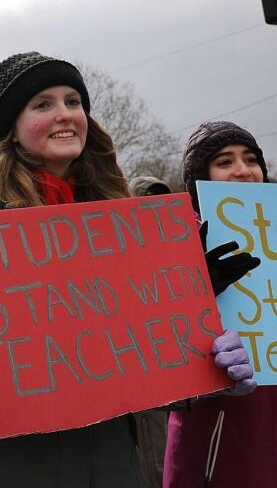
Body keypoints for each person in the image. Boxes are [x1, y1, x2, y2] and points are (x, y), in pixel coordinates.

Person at [0, 54, 256, 487]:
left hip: (107, 458)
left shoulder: (118, 215)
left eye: (73, 101)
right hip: (2, 463)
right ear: (11, 128)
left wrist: (208, 356)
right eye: (42, 104)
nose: (65, 115)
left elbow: (140, 336)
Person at [165, 121, 277, 487]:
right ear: (201, 178)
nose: (243, 170)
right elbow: (152, 347)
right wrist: (197, 292)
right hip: (225, 431)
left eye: (250, 159)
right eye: (225, 161)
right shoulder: (173, 244)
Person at [126, 174, 176, 488]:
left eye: (160, 201)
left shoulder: (174, 249)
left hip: (170, 371)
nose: (153, 209)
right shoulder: (117, 252)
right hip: (138, 372)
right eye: (145, 201)